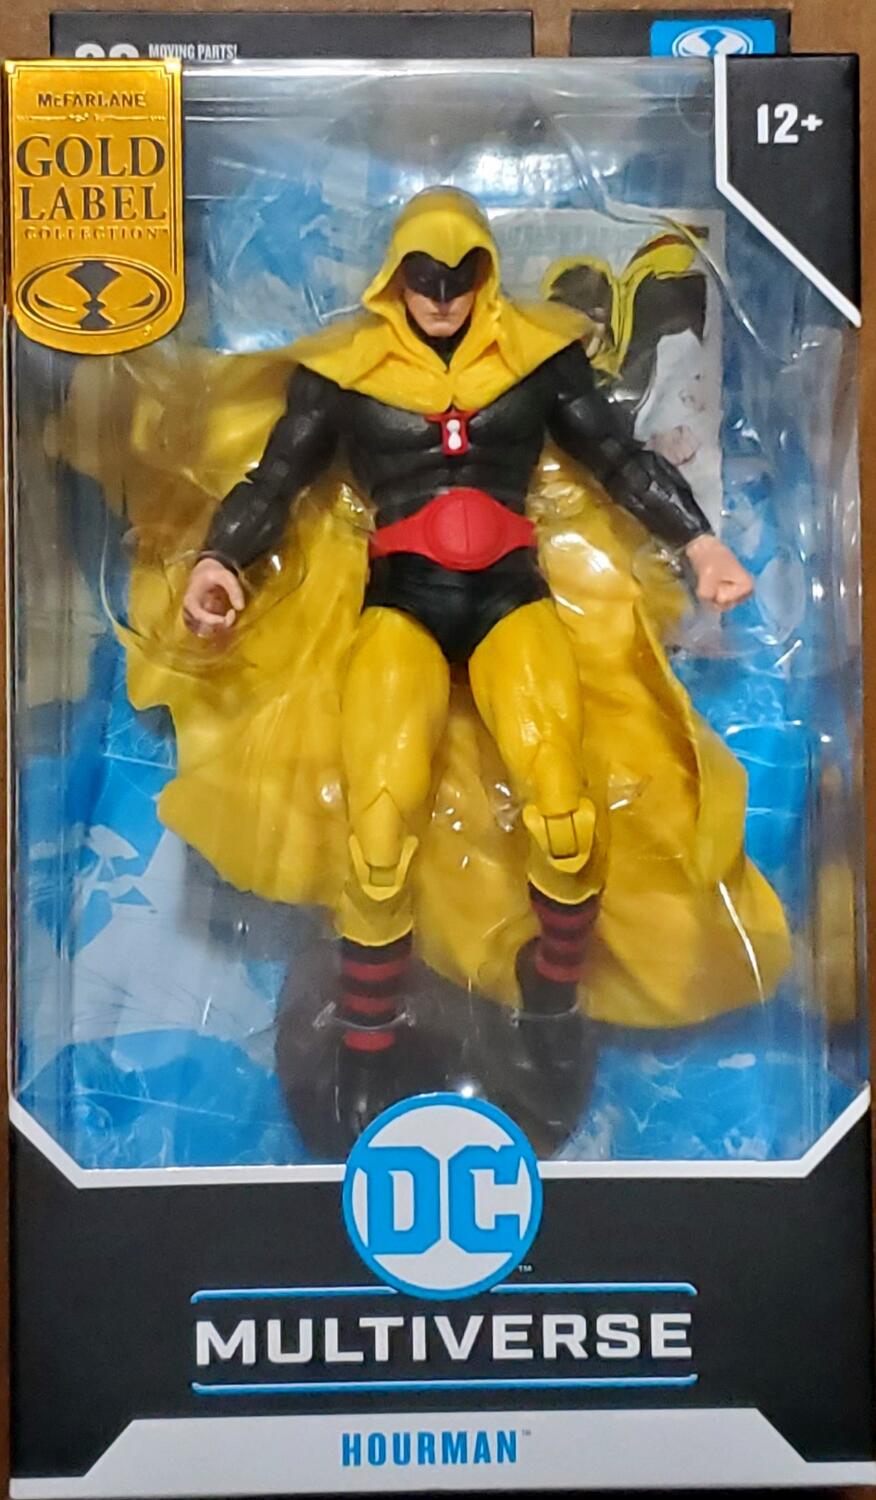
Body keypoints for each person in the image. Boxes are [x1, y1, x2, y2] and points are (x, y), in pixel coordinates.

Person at [179, 186, 762, 1147]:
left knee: (566, 818)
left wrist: (698, 545)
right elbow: (276, 478)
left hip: (510, 600)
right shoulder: (347, 373)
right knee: (377, 831)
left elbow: (618, 459)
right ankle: (366, 1042)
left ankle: (550, 1002)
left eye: (459, 278)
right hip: (401, 604)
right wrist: (220, 560)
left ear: (485, 275)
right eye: (425, 278)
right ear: (395, 279)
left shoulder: (535, 360)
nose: (442, 297)